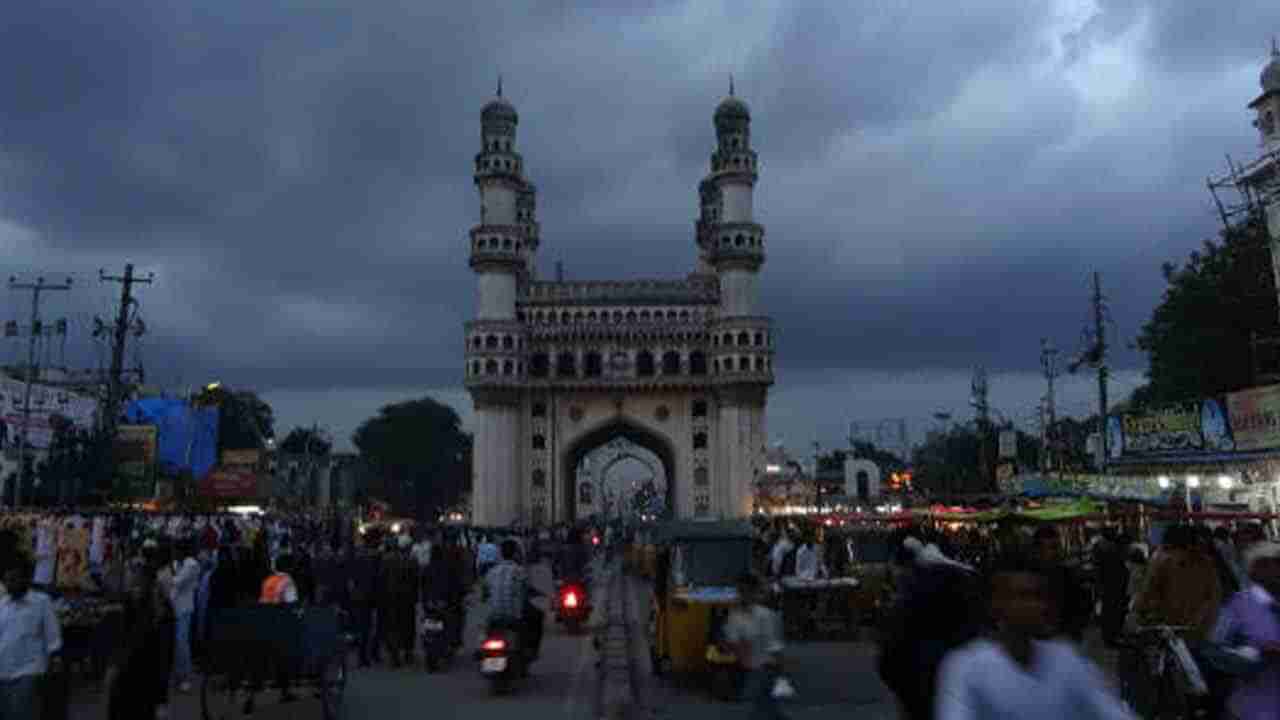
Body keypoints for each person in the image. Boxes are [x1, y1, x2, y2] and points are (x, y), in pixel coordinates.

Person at [935, 549, 1133, 720]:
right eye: (1023, 596)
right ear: (995, 604)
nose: (1035, 605)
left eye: (1039, 595)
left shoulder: (1067, 660)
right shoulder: (966, 668)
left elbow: (1109, 711)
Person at [1207, 541, 1280, 720]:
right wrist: (1257, 654)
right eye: (1276, 563)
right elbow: (1214, 650)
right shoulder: (1238, 606)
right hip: (1253, 709)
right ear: (1256, 569)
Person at [0, 558, 62, 720]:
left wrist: (54, 662)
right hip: (3, 672)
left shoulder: (41, 602)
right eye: (6, 580)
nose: (9, 584)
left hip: (29, 672)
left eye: (13, 579)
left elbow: (53, 637)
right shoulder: (2, 605)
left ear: (25, 579)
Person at [723, 573, 787, 720]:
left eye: (746, 591)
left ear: (754, 593)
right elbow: (731, 643)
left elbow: (775, 648)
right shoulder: (734, 616)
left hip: (764, 671)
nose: (742, 595)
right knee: (764, 711)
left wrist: (779, 672)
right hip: (745, 671)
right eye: (740, 591)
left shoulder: (765, 615)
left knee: (761, 711)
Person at [1030, 525, 1090, 643]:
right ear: (1038, 551)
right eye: (1052, 547)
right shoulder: (1029, 578)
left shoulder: (1068, 574)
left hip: (1066, 638)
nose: (1057, 552)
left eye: (1058, 547)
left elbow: (1080, 606)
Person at [484, 539, 542, 661]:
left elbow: (485, 592)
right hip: (514, 617)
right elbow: (527, 589)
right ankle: (532, 651)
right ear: (516, 553)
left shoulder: (492, 572)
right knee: (538, 616)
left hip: (494, 617)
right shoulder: (519, 571)